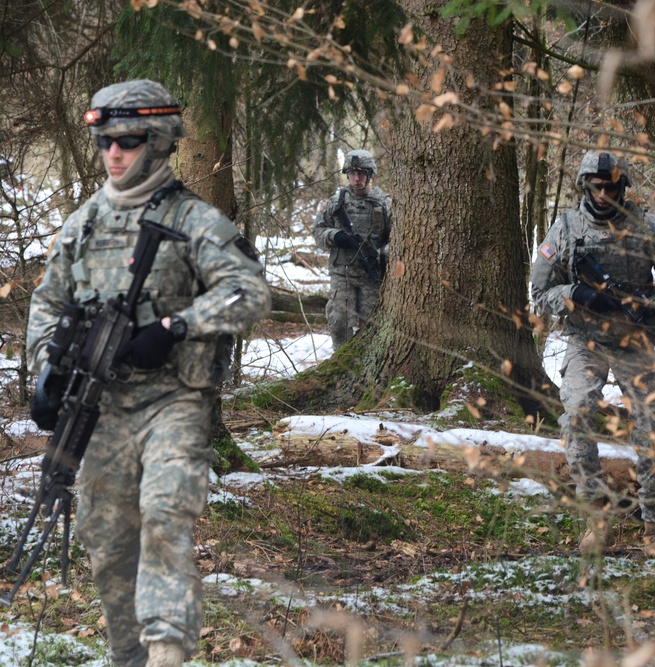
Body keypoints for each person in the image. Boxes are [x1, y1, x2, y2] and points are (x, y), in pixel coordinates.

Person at [26, 79, 271, 667]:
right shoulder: (82, 223)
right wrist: (45, 371)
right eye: (105, 141)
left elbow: (250, 292)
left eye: (128, 140)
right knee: (107, 539)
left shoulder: (194, 220)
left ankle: (167, 651)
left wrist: (174, 328)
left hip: (173, 403)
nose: (114, 154)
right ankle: (130, 658)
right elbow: (46, 304)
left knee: (165, 515)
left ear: (158, 142)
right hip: (102, 408)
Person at [530, 150, 655, 556]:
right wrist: (577, 293)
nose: (604, 193)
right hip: (585, 340)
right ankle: (596, 517)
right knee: (576, 414)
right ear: (584, 185)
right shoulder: (566, 230)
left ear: (623, 186)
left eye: (611, 185)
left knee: (652, 424)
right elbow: (540, 292)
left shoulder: (648, 227)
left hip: (634, 342)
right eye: (596, 185)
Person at [312, 149, 392, 346]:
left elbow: (398, 239)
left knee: (372, 328)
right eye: (352, 174)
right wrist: (335, 236)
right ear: (347, 175)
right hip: (342, 274)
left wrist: (383, 255)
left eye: (362, 173)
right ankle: (341, 364)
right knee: (338, 323)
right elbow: (318, 232)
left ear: (370, 174)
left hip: (371, 277)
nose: (357, 179)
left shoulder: (384, 204)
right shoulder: (335, 203)